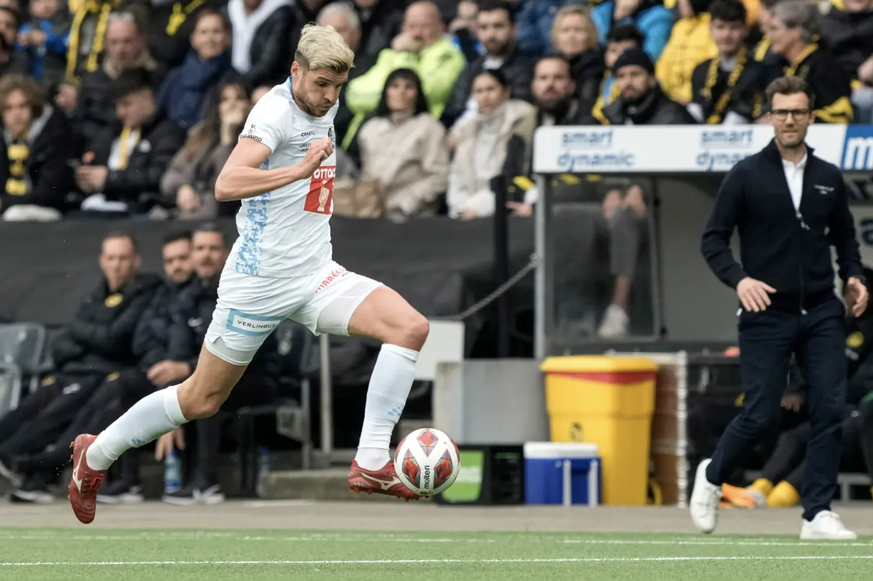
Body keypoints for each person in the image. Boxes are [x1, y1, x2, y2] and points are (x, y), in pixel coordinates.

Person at [68, 23, 430, 525]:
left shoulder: (324, 102)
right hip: (258, 283)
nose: (330, 96)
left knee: (410, 327)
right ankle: (96, 454)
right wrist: (298, 172)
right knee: (202, 398)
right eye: (322, 83)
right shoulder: (273, 112)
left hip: (315, 274)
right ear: (295, 71)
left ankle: (370, 460)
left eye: (339, 86)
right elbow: (226, 183)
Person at [694, 75, 868, 540]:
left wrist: (853, 276)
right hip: (766, 312)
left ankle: (817, 513)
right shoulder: (746, 174)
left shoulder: (829, 177)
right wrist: (740, 279)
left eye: (798, 111)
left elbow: (846, 240)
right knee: (761, 412)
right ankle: (713, 476)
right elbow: (712, 240)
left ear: (811, 116)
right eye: (781, 112)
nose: (789, 119)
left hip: (821, 311)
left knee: (831, 405)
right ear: (769, 117)